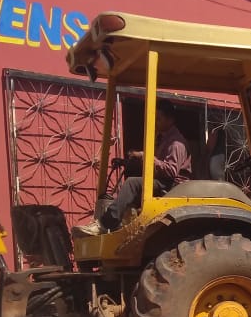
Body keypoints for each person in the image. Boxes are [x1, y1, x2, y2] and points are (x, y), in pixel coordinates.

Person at [77, 100, 191, 235]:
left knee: (132, 184)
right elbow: (157, 164)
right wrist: (129, 161)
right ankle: (121, 225)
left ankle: (105, 224)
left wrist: (146, 156)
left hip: (173, 185)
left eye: (159, 119)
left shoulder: (176, 143)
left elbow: (171, 171)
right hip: (163, 181)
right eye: (155, 118)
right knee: (132, 187)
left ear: (170, 119)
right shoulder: (163, 139)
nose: (155, 122)